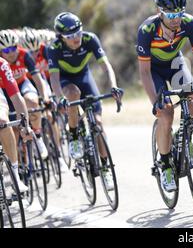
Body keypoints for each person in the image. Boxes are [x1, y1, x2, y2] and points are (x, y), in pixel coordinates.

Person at [137, 0, 193, 193]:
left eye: (179, 12)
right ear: (159, 11)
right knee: (166, 113)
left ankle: (188, 139)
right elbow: (144, 72)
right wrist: (155, 99)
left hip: (176, 64)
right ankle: (165, 164)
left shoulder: (189, 23)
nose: (176, 18)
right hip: (154, 71)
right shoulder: (147, 30)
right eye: (171, 13)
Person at [48, 12, 123, 190]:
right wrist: (60, 99)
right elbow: (54, 80)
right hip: (66, 81)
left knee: (98, 122)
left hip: (84, 76)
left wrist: (113, 86)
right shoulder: (54, 48)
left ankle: (105, 168)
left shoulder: (90, 39)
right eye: (70, 36)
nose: (76, 38)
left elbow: (106, 66)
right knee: (73, 94)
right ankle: (73, 135)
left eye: (78, 33)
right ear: (61, 37)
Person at [20, 28, 68, 171]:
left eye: (36, 51)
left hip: (40, 80)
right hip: (27, 84)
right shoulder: (20, 56)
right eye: (30, 52)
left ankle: (58, 156)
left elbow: (48, 77)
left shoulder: (45, 50)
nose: (34, 55)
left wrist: (49, 97)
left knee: (49, 116)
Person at [0, 29, 49, 159]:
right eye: (5, 50)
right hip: (5, 92)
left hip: (23, 84)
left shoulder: (24, 55)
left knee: (33, 102)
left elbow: (38, 79)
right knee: (13, 130)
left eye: (13, 48)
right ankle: (16, 162)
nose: (10, 53)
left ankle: (38, 136)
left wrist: (45, 97)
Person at [0, 51, 33, 192]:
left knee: (1, 119)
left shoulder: (2, 64)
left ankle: (14, 175)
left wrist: (24, 126)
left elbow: (16, 97)